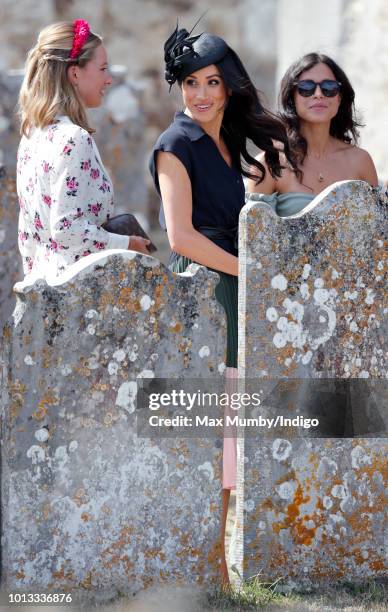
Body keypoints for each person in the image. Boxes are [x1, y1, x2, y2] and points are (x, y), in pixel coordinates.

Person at [149, 24, 297, 584]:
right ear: (180, 88)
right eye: (191, 83)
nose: (201, 93)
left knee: (233, 424)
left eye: (212, 81)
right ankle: (210, 565)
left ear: (230, 86)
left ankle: (222, 560)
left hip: (238, 281)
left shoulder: (231, 141)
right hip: (206, 288)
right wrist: (251, 272)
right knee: (215, 425)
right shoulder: (175, 144)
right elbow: (181, 237)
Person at [17, 20, 150, 281]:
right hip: (77, 292)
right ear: (75, 74)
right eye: (102, 69)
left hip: (42, 285)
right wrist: (127, 245)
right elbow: (68, 231)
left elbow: (26, 233)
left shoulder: (31, 135)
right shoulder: (74, 138)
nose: (109, 79)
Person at [247, 52, 378, 212]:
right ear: (292, 97)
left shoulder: (361, 161)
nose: (318, 94)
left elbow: (377, 232)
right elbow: (254, 234)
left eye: (329, 87)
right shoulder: (269, 164)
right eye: (306, 88)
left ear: (339, 98)